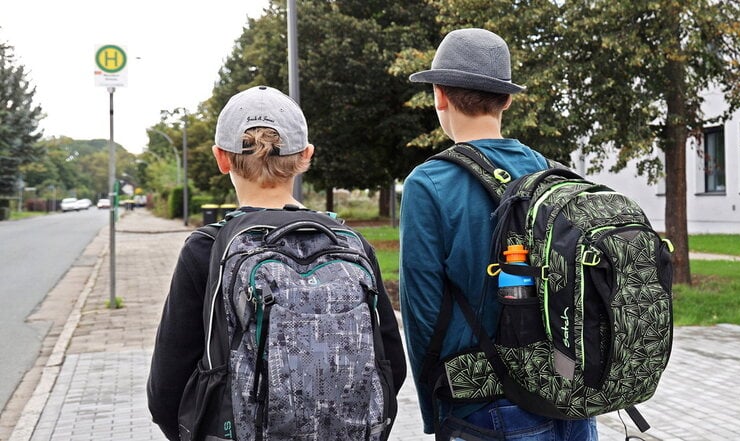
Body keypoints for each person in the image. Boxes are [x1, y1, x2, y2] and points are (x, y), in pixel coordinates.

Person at [147, 85, 407, 440]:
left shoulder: (207, 248)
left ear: (221, 158)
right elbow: (391, 363)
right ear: (306, 156)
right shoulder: (350, 243)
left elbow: (165, 389)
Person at [399, 28, 598, 440]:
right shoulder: (551, 171)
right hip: (570, 395)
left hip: (485, 405)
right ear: (507, 98)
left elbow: (421, 314)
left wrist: (434, 412)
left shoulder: (428, 183)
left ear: (439, 94)